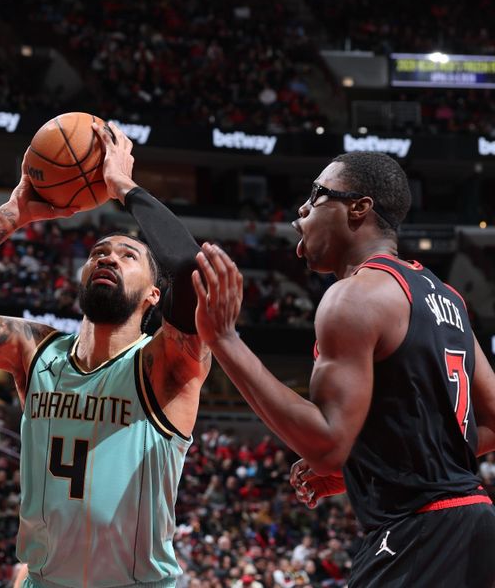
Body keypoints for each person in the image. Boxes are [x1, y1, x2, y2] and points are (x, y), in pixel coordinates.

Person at [0, 123, 211, 587]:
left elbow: (191, 271)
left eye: (127, 256)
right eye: (99, 252)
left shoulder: (166, 364)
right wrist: (12, 214)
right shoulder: (34, 349)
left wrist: (125, 188)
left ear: (153, 297)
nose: (107, 257)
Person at [191, 151, 495, 587]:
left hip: (419, 534)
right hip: (475, 524)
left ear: (359, 208)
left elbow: (327, 444)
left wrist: (224, 339)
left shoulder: (353, 297)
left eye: (317, 195)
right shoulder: (444, 294)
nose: (302, 208)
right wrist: (376, 469)